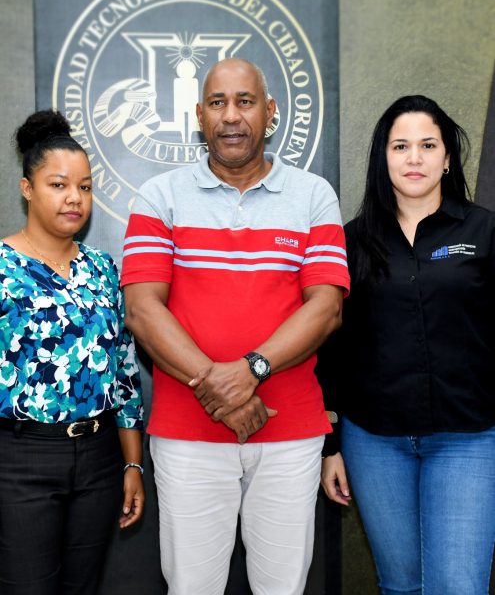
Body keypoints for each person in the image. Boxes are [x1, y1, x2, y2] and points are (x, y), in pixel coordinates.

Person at [121, 58, 350, 595]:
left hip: (290, 432)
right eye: (217, 103)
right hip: (188, 434)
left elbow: (326, 308)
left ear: (269, 111)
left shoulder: (313, 195)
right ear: (199, 115)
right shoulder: (159, 196)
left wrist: (250, 370)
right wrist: (222, 391)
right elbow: (142, 311)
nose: (231, 116)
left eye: (245, 102)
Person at [318, 94, 495, 595]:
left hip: (467, 439)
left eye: (427, 145)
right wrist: (332, 447)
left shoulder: (484, 231)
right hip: (375, 442)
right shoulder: (350, 241)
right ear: (383, 157)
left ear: (447, 158)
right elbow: (332, 351)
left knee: (457, 586)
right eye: (400, 146)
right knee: (400, 586)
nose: (414, 157)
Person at [0, 110, 144, 595]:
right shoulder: (3, 266)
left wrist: (131, 464)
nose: (74, 198)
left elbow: (123, 369)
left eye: (84, 187)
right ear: (27, 188)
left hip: (100, 458)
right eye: (58, 185)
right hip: (20, 459)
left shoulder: (102, 267)